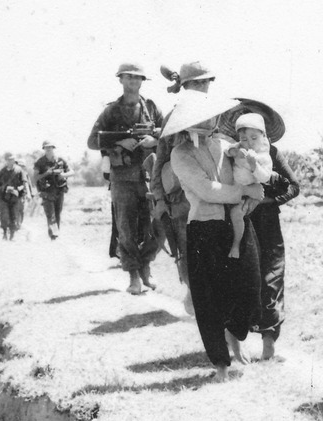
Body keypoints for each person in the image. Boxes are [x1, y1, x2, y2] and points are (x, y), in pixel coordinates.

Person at [168, 91, 264, 382]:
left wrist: (252, 197)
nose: (211, 119)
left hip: (236, 224)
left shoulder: (226, 144)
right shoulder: (180, 154)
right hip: (205, 228)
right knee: (209, 300)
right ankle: (221, 363)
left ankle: (236, 336)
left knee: (249, 286)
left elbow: (246, 175)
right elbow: (207, 190)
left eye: (212, 114)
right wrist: (244, 192)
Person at [219, 100, 299, 360]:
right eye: (242, 133)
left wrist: (266, 200)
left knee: (271, 279)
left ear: (263, 133)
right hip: (241, 222)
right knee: (242, 281)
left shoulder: (273, 154)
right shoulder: (229, 154)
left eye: (253, 133)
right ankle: (235, 341)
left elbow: (293, 187)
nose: (247, 138)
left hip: (268, 224)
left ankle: (268, 344)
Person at [87, 62, 163, 294]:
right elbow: (92, 141)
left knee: (157, 225)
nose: (133, 81)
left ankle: (146, 267)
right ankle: (133, 276)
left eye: (137, 78)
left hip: (149, 176)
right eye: (129, 77)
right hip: (122, 177)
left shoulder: (151, 107)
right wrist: (118, 141)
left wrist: (155, 140)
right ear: (121, 80)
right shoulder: (111, 111)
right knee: (126, 228)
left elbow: (167, 134)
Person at [151, 60, 217, 314]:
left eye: (205, 83)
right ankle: (193, 294)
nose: (202, 88)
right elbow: (160, 162)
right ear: (186, 86)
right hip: (182, 201)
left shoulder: (216, 114)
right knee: (188, 253)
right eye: (196, 83)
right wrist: (158, 198)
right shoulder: (173, 118)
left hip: (211, 193)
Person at [224, 113, 273, 259]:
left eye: (254, 138)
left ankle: (236, 245)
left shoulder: (264, 156)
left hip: (250, 192)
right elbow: (227, 150)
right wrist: (234, 151)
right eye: (244, 139)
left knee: (236, 214)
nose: (249, 143)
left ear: (263, 136)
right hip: (235, 188)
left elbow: (265, 177)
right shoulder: (240, 147)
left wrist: (254, 166)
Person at [34, 140, 74, 240]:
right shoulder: (40, 162)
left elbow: (72, 172)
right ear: (43, 149)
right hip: (46, 191)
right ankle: (54, 236)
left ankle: (54, 234)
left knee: (57, 213)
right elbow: (35, 177)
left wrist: (63, 175)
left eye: (50, 147)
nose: (48, 149)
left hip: (59, 190)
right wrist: (46, 173)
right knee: (50, 214)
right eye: (46, 147)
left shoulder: (60, 160)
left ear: (53, 148)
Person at [0, 152, 27, 240]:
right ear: (6, 161)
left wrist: (17, 190)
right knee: (4, 216)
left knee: (14, 216)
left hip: (15, 198)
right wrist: (4, 188)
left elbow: (23, 184)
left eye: (12, 159)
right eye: (9, 160)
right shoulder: (1, 171)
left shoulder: (19, 170)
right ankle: (5, 233)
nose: (11, 161)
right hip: (4, 198)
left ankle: (12, 235)